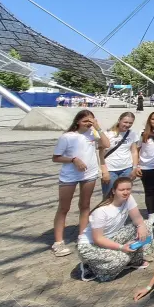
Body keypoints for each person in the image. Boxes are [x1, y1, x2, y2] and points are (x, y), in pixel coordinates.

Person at [52, 110, 110, 257]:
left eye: (91, 121)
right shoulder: (67, 137)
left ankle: (82, 236)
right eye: (85, 121)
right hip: (69, 176)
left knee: (85, 205)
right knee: (64, 207)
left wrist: (97, 127)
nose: (88, 124)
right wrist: (73, 160)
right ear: (77, 121)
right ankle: (58, 242)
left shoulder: (93, 134)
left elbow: (106, 144)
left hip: (89, 174)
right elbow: (56, 157)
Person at [77, 177, 153, 281]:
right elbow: (98, 239)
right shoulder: (101, 211)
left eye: (128, 189)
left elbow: (138, 219)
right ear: (113, 191)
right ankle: (90, 266)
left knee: (146, 225)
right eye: (122, 190)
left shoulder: (129, 199)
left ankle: (134, 261)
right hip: (90, 245)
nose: (125, 192)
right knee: (122, 259)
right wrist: (121, 247)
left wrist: (141, 226)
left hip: (112, 237)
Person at [100, 112, 137, 197]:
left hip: (126, 168)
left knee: (124, 195)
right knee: (109, 195)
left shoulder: (132, 134)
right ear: (119, 120)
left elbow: (134, 151)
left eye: (130, 123)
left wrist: (134, 168)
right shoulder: (108, 134)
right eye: (125, 122)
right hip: (110, 169)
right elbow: (101, 154)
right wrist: (104, 171)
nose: (127, 125)